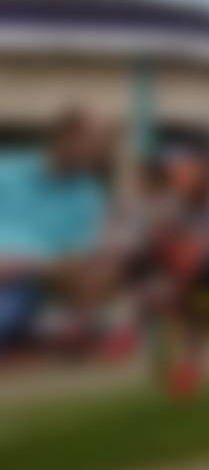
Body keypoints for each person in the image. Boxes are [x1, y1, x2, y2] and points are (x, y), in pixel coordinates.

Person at [0, 109, 112, 350]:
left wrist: (20, 265)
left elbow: (76, 261)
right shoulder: (6, 171)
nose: (95, 151)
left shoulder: (88, 197)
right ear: (62, 137)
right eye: (90, 142)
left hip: (29, 283)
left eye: (99, 145)